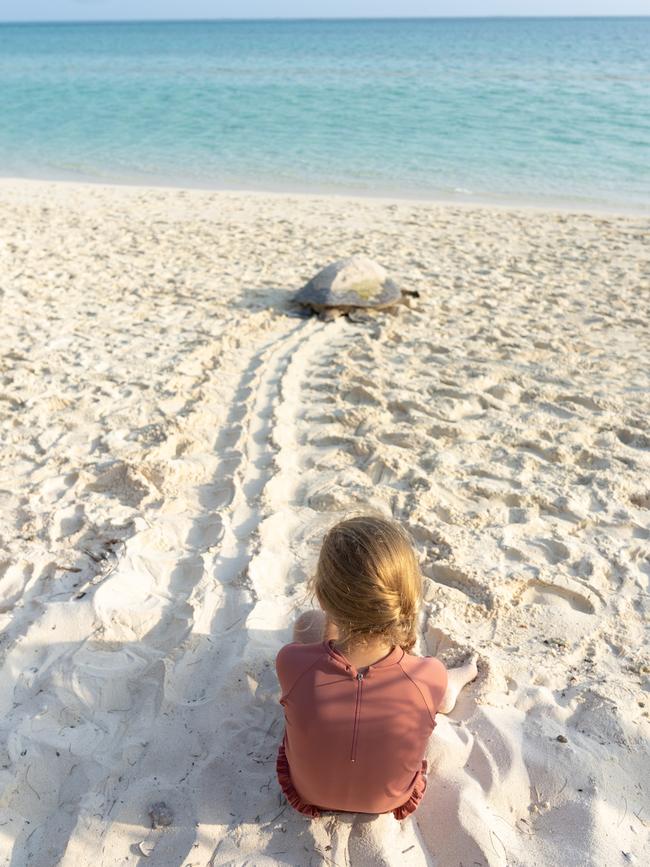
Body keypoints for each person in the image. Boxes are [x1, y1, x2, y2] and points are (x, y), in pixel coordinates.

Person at [275, 513, 479, 821]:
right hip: (388, 798)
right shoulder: (428, 673)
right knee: (426, 676)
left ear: (321, 595)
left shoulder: (289, 662)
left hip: (309, 793)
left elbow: (320, 637)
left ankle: (339, 618)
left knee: (307, 624)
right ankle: (448, 690)